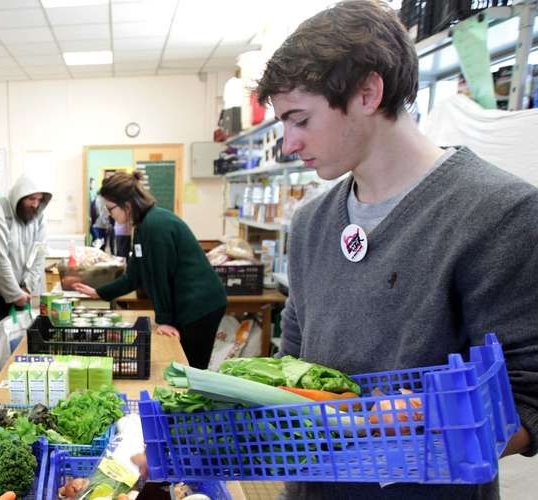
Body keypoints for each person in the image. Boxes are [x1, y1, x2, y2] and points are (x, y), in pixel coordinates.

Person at [254, 1, 536, 498]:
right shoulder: (312, 223)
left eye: (299, 119)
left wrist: (420, 422)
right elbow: (292, 364)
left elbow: (529, 397)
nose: (289, 144)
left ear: (367, 92)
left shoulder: (500, 213)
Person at [72, 173, 227, 369]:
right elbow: (134, 277)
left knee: (192, 368)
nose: (110, 214)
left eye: (110, 208)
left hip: (200, 305)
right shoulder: (143, 226)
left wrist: (165, 321)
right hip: (187, 302)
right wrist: (100, 292)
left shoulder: (156, 226)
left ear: (126, 205)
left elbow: (159, 277)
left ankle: (198, 396)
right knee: (182, 365)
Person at [0, 174, 51, 377]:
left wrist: (27, 286)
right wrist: (14, 294)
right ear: (18, 197)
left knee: (19, 342)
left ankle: (15, 383)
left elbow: (40, 253)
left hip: (20, 290)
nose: (35, 204)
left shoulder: (38, 216)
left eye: (39, 199)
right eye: (30, 199)